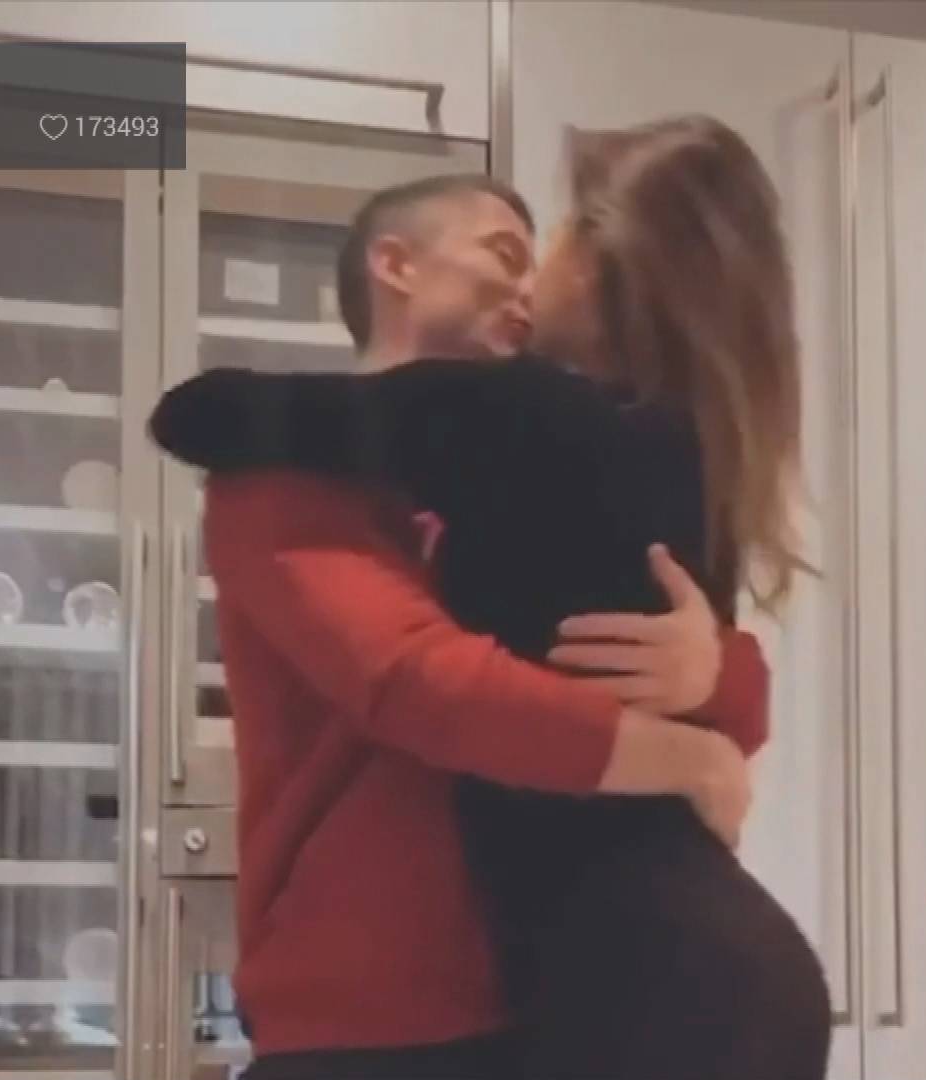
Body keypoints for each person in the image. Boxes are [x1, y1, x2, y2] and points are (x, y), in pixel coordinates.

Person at [154, 117, 830, 1080]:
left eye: (544, 251)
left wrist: (716, 671)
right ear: (396, 265)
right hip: (375, 1018)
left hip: (550, 1000)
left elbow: (711, 681)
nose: (530, 282)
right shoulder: (279, 481)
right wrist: (690, 755)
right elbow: (422, 682)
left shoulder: (540, 467)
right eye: (505, 252)